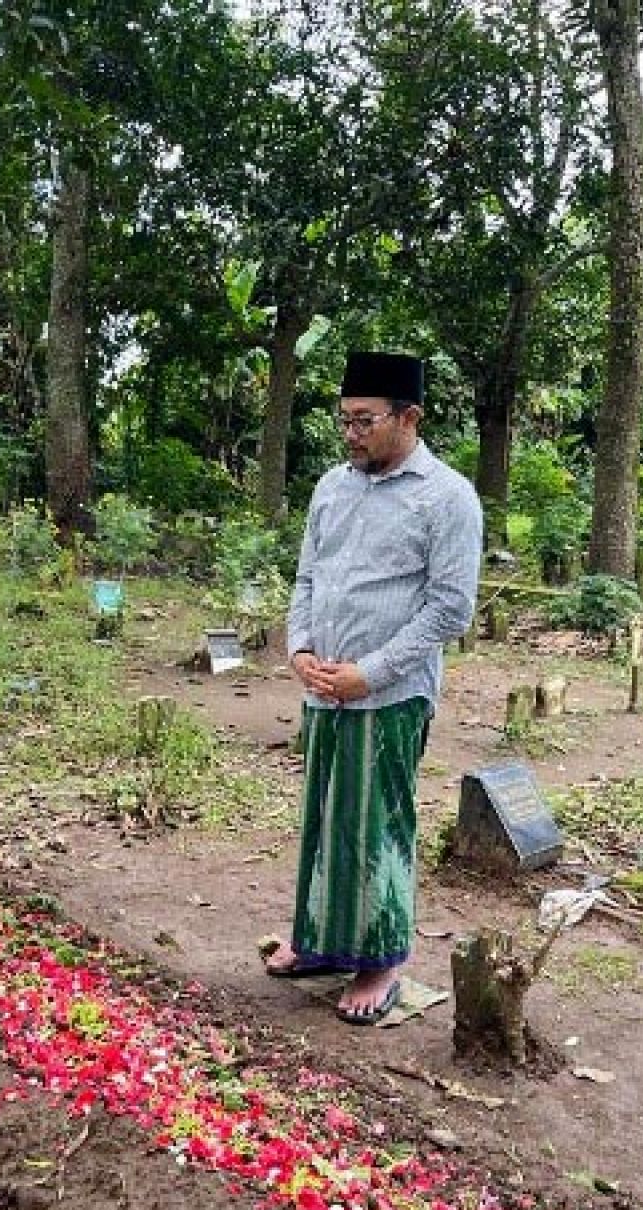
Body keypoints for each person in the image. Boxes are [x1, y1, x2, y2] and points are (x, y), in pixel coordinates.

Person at [264, 351, 483, 1025]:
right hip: (323, 686)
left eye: (365, 420)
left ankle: (382, 961)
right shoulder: (333, 486)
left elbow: (450, 610)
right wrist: (299, 648)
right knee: (325, 819)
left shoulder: (447, 497)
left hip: (388, 695)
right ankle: (322, 943)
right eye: (344, 421)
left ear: (409, 417)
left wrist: (372, 671)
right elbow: (307, 577)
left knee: (377, 825)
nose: (352, 434)